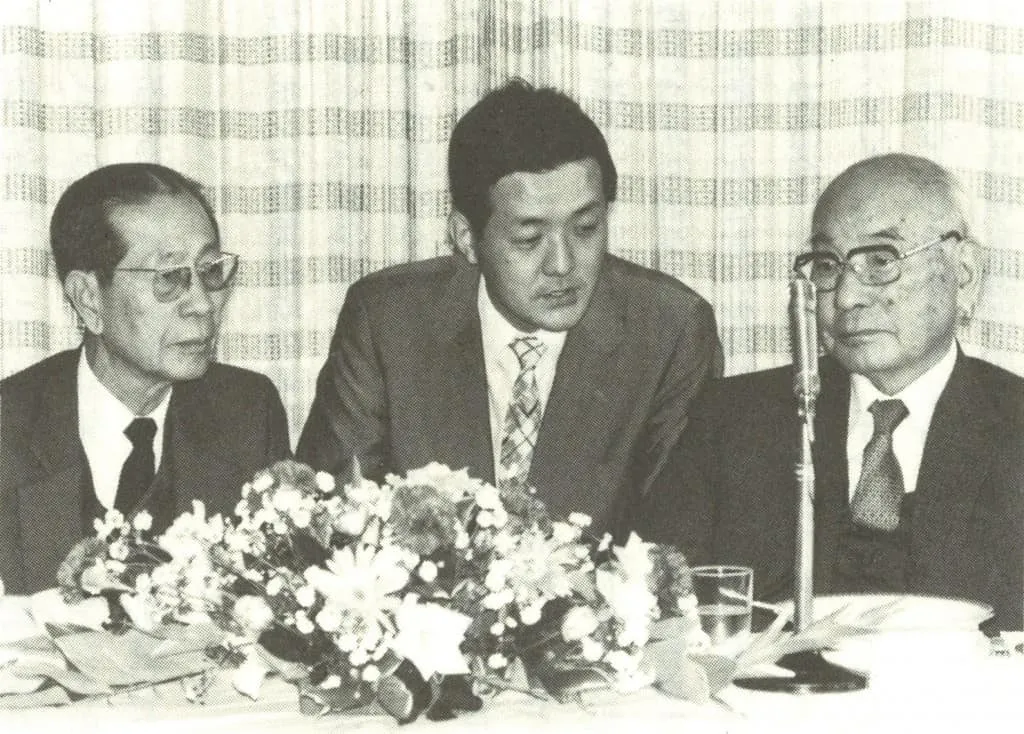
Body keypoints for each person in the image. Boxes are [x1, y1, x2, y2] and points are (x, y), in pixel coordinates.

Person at [298, 80, 722, 533]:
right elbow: (329, 521)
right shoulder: (386, 321)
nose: (562, 265)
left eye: (586, 228)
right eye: (528, 239)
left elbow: (679, 545)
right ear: (466, 237)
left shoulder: (670, 330)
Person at [637, 153, 1024, 630]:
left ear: (965, 273)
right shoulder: (731, 420)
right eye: (826, 265)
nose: (845, 296)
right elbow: (656, 602)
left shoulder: (1015, 423)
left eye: (881, 261)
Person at [0, 163, 290, 595]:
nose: (203, 305)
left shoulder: (247, 411)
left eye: (210, 270)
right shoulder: (9, 425)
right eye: (170, 278)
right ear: (89, 299)